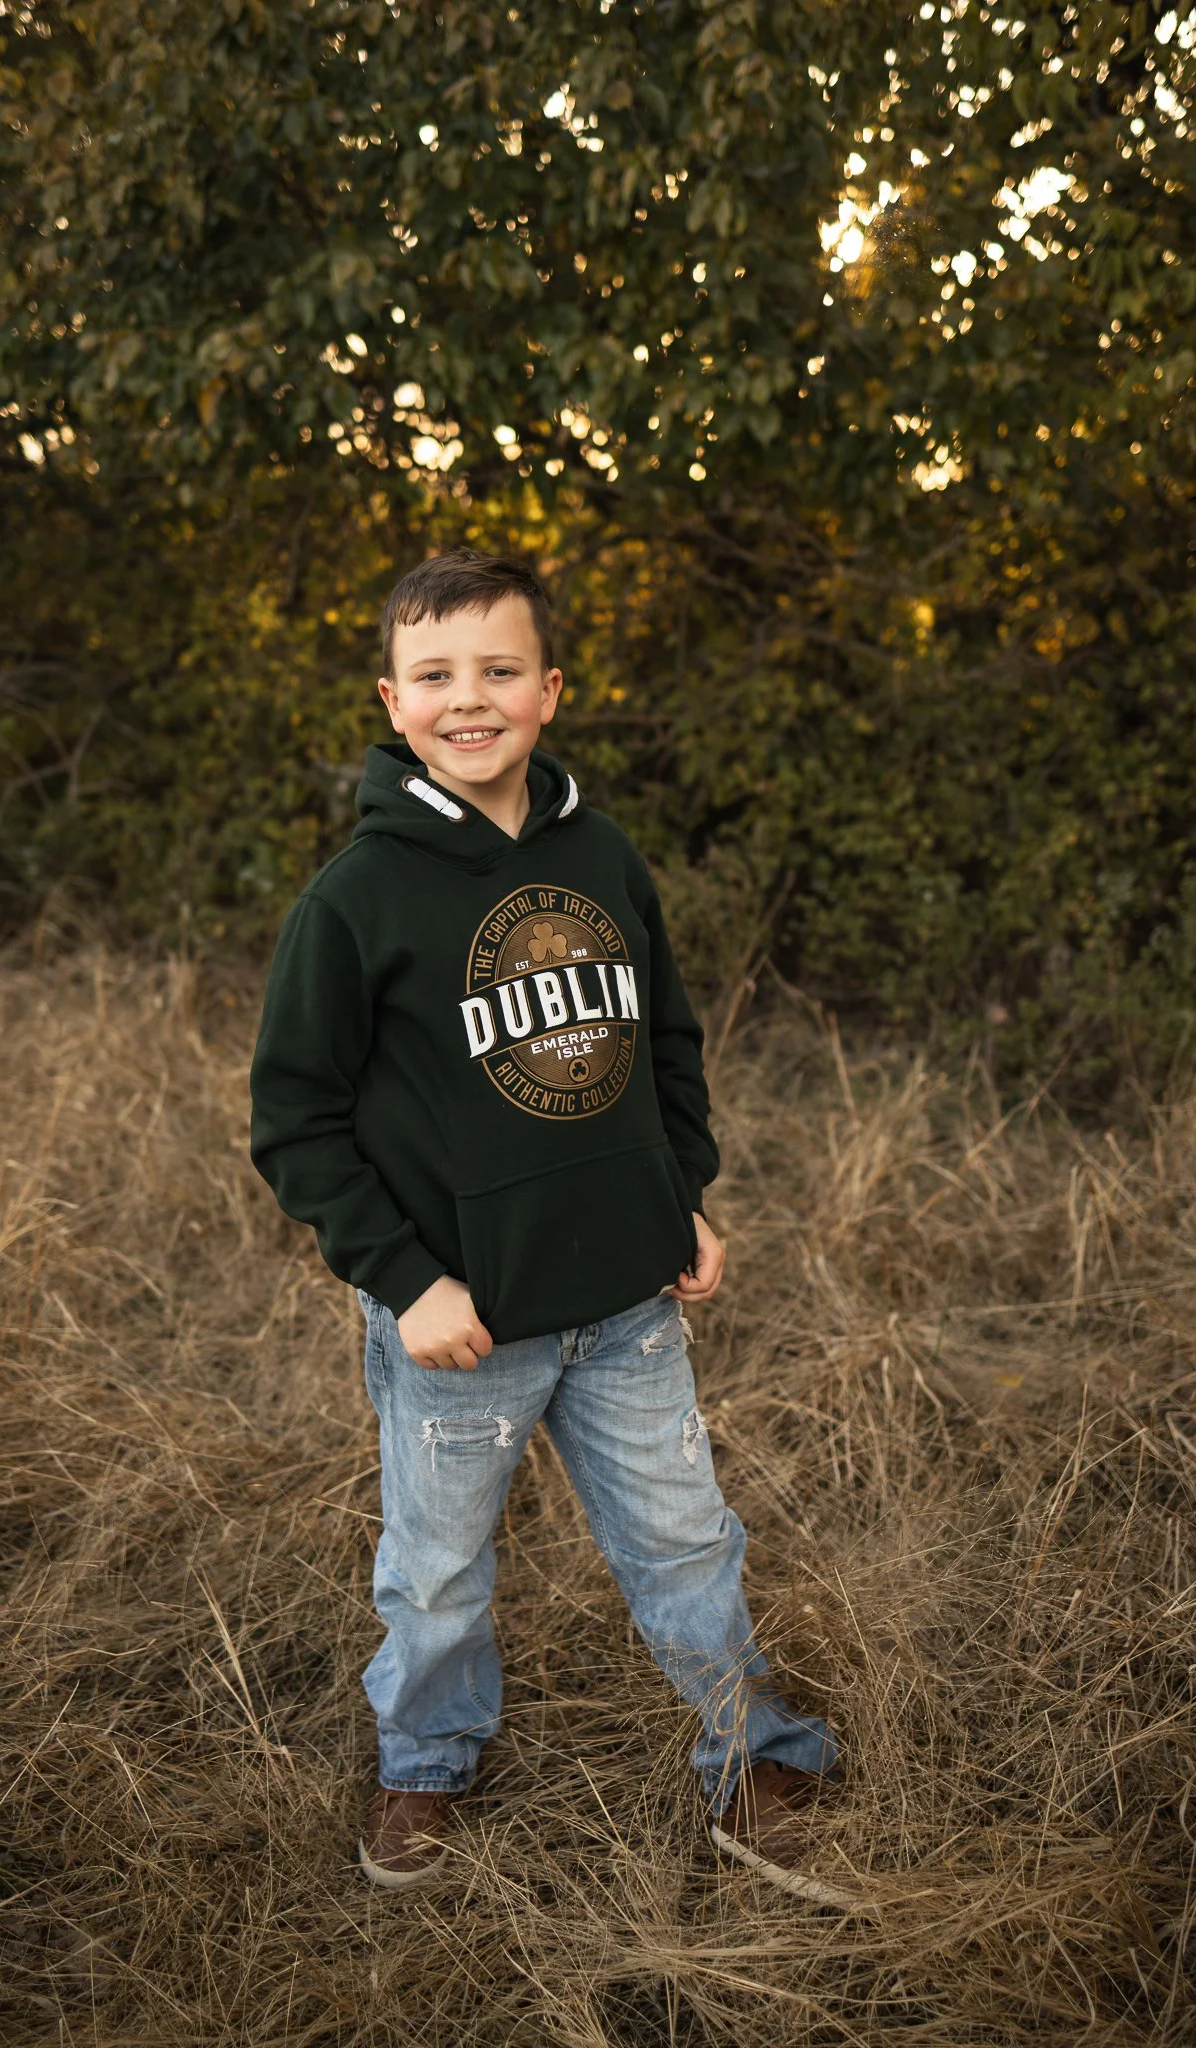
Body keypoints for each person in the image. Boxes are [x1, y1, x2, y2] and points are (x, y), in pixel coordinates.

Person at [250, 549, 850, 1906]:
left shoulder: (601, 856)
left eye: (500, 670)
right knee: (439, 1570)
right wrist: (407, 1282)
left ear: (551, 691)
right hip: (465, 1321)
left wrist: (679, 1191)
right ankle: (427, 1759)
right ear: (392, 701)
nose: (470, 698)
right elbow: (295, 1120)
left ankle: (755, 1755)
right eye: (436, 674)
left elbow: (663, 1043)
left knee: (687, 1542)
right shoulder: (357, 899)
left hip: (628, 1300)